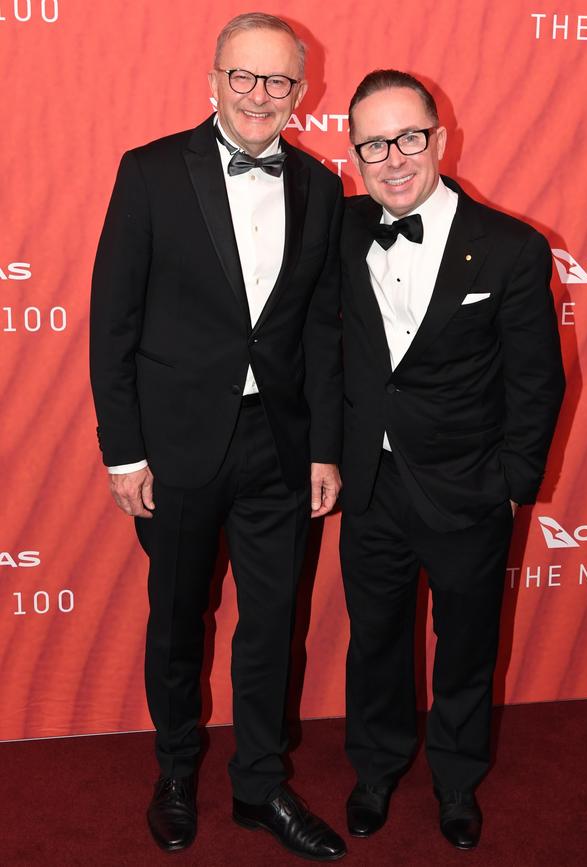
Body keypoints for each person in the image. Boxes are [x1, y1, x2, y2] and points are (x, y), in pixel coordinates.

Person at [90, 13, 346, 862]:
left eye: (278, 81)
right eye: (244, 76)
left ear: (301, 93)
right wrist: (124, 451)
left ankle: (260, 783)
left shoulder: (321, 186)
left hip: (278, 444)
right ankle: (174, 770)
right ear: (213, 78)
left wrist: (322, 446)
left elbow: (317, 328)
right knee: (177, 619)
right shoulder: (152, 172)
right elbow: (112, 323)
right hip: (174, 447)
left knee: (272, 621)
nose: (259, 96)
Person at [339, 70, 565, 850]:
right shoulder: (338, 233)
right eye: (374, 143)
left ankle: (457, 778)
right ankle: (375, 766)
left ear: (440, 139)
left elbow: (537, 382)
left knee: (466, 645)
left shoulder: (509, 247)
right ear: (355, 155)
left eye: (408, 137)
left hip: (470, 489)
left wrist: (512, 488)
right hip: (371, 483)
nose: (393, 157)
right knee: (375, 640)